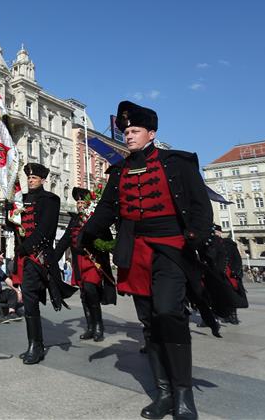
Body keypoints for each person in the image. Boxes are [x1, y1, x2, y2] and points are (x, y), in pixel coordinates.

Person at [79, 100, 217, 420]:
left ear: (151, 133)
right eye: (125, 131)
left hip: (171, 248)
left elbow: (200, 205)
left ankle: (184, 396)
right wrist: (87, 234)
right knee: (150, 324)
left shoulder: (178, 163)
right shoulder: (119, 171)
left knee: (169, 313)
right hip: (134, 251)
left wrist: (195, 236)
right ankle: (164, 394)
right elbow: (106, 209)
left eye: (135, 131)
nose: (128, 136)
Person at [7, 162, 75, 365]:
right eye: (28, 178)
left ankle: (36, 346)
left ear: (43, 180)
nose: (30, 180)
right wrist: (8, 211)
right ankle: (34, 343)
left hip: (38, 257)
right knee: (28, 300)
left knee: (29, 297)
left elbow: (46, 230)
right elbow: (12, 226)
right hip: (23, 256)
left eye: (34, 178)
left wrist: (26, 248)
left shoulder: (50, 200)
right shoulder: (22, 199)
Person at [57, 187, 115, 343]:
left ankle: (98, 326)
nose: (80, 204)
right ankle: (90, 327)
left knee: (90, 290)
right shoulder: (74, 219)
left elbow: (108, 239)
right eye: (78, 202)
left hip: (92, 261)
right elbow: (65, 240)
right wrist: (53, 257)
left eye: (83, 201)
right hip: (78, 263)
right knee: (84, 294)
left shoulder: (96, 218)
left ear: (89, 203)